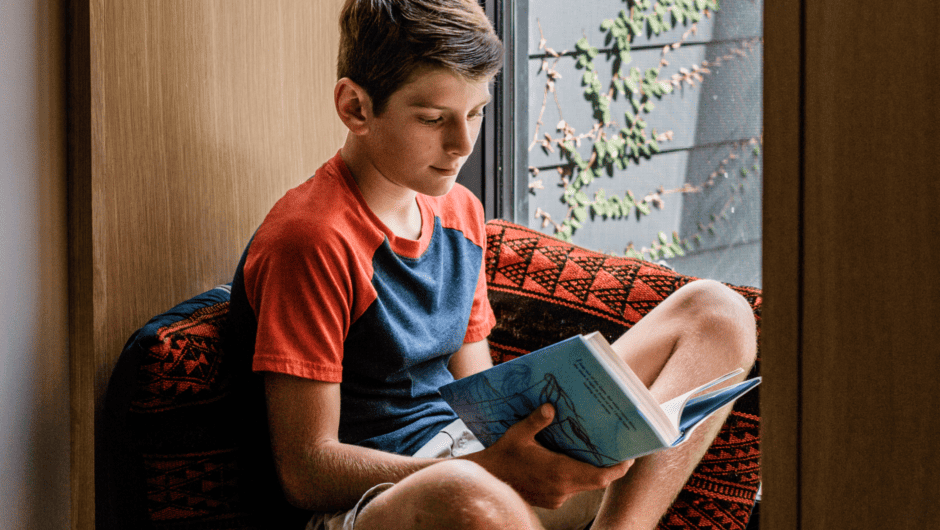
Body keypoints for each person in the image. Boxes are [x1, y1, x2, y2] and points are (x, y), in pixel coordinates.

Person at [227, 1, 757, 529]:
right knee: (463, 493)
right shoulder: (312, 239)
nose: (462, 145)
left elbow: (480, 400)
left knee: (716, 313)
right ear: (356, 108)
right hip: (384, 501)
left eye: (476, 113)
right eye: (434, 119)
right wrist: (484, 469)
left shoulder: (460, 212)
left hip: (474, 463)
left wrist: (535, 447)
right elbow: (306, 470)